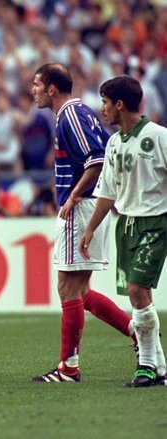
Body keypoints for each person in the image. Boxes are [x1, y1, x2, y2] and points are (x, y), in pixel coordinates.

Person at [30, 63, 136, 383]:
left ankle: (69, 367)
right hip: (88, 204)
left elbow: (96, 158)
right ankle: (137, 331)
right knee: (81, 291)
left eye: (37, 84)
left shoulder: (71, 115)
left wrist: (74, 195)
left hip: (82, 206)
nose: (32, 90)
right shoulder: (80, 113)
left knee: (68, 288)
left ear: (52, 88)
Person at [80, 76, 167, 387]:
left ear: (119, 104)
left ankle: (145, 366)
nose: (102, 109)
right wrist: (91, 228)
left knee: (136, 290)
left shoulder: (159, 137)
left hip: (155, 223)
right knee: (142, 295)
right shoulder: (114, 143)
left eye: (105, 102)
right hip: (125, 225)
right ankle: (158, 367)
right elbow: (107, 191)